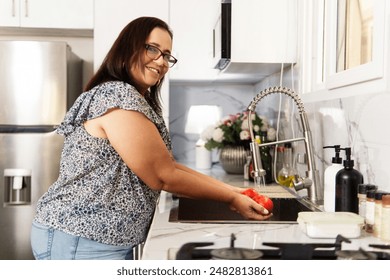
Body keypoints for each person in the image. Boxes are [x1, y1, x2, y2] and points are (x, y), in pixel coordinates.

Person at [30, 16, 271, 260]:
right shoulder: (117, 96)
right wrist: (230, 197)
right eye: (153, 49)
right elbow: (161, 176)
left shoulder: (134, 99)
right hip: (79, 238)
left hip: (92, 239)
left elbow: (167, 166)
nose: (161, 61)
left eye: (167, 55)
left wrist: (232, 191)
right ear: (129, 47)